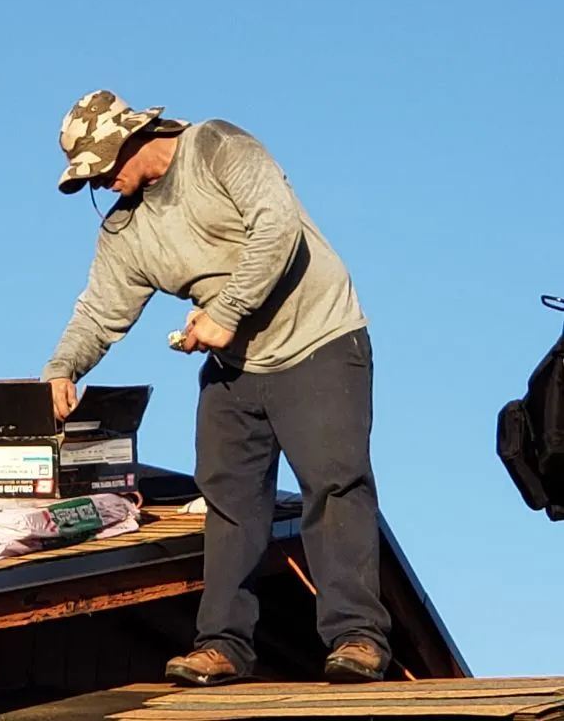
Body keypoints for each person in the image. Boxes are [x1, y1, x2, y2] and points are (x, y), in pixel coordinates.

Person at [41, 89, 391, 685]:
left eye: (103, 170)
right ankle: (223, 644)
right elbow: (101, 310)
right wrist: (62, 368)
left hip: (318, 340)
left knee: (334, 485)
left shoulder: (217, 146)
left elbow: (277, 227)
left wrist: (227, 310)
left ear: (133, 138)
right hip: (236, 368)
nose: (103, 186)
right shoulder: (125, 229)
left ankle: (357, 637)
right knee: (228, 500)